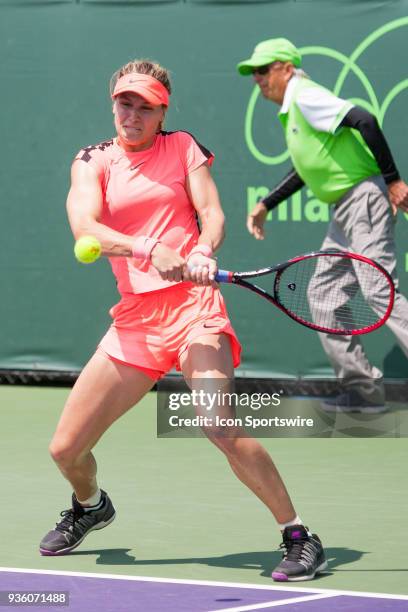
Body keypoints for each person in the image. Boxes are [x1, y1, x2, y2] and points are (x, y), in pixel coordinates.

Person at [39, 59, 327, 582]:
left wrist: (202, 247)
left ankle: (299, 536)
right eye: (125, 102)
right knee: (65, 449)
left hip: (196, 311)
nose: (132, 113)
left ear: (161, 111)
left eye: (144, 106)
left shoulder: (182, 148)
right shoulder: (91, 161)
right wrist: (148, 247)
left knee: (217, 422)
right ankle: (91, 505)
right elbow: (86, 227)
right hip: (136, 321)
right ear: (113, 104)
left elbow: (212, 212)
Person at [238, 38, 408, 413]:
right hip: (343, 212)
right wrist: (267, 203)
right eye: (254, 74)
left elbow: (364, 119)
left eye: (263, 70)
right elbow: (305, 169)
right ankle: (362, 391)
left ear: (285, 67)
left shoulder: (303, 95)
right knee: (324, 295)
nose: (258, 79)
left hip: (362, 199)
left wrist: (393, 180)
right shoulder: (294, 108)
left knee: (379, 292)